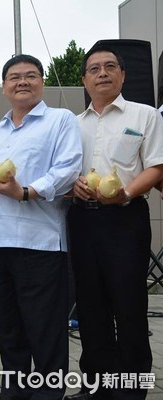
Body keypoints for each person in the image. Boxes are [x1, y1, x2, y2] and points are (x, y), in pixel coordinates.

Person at [0, 54, 83, 400]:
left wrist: (27, 192)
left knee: (44, 325)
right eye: (14, 77)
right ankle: (15, 390)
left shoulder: (60, 120)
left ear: (42, 82)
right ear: (4, 87)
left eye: (30, 76)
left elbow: (67, 169)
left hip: (41, 241)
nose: (22, 82)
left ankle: (49, 393)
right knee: (6, 323)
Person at [65, 45, 163, 400]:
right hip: (82, 220)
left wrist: (124, 193)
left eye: (110, 67)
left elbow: (156, 166)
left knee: (129, 304)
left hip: (126, 219)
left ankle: (132, 388)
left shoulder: (145, 116)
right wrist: (70, 184)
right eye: (94, 68)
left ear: (123, 75)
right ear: (84, 80)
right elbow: (64, 170)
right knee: (90, 305)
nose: (102, 73)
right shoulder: (72, 124)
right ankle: (97, 383)